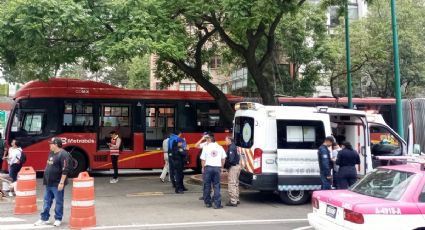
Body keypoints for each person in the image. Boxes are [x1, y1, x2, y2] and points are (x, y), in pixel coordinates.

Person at [34, 137, 72, 227]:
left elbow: (65, 170)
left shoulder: (63, 154)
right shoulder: (51, 153)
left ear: (56, 145)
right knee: (46, 201)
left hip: (57, 183)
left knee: (58, 201)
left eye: (51, 144)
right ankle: (44, 218)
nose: (49, 145)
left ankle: (58, 219)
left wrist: (62, 182)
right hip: (48, 182)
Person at [201, 133, 227, 209]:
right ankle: (217, 204)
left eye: (207, 139)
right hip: (217, 168)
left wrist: (203, 168)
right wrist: (222, 167)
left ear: (209, 140)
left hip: (208, 168)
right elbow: (223, 159)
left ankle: (208, 203)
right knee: (216, 186)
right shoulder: (220, 147)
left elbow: (203, 159)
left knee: (207, 185)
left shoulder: (206, 148)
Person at [224, 136, 241, 207]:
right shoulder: (235, 146)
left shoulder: (231, 148)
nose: (225, 141)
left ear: (230, 140)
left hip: (233, 167)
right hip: (238, 166)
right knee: (236, 183)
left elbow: (230, 160)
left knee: (232, 183)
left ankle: (233, 201)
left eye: (226, 140)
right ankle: (236, 199)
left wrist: (226, 167)